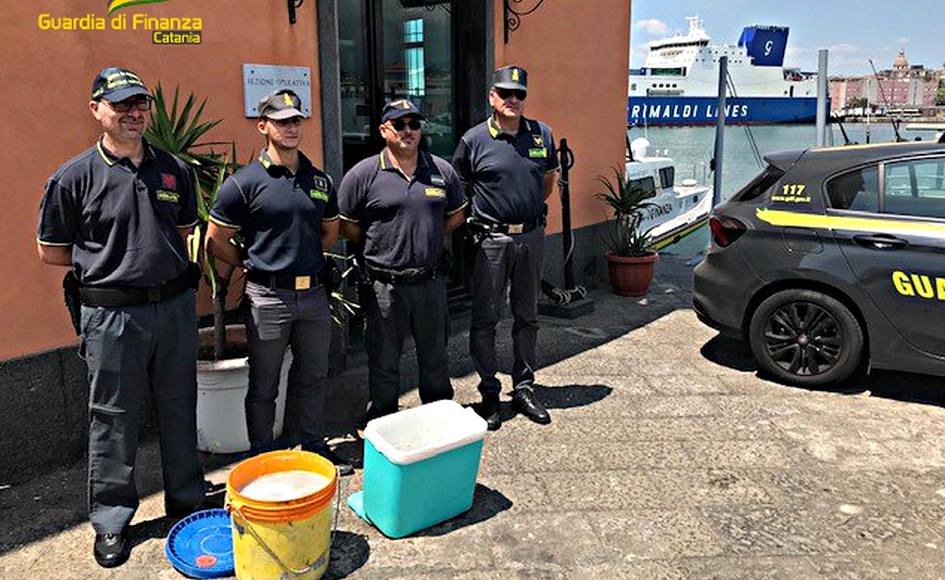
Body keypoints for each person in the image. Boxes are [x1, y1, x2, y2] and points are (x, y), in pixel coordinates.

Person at [36, 67, 208, 568]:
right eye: (121, 105)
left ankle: (186, 502)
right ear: (97, 110)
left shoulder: (174, 170)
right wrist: (113, 266)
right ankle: (112, 520)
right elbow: (51, 250)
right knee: (113, 418)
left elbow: (184, 231)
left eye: (140, 104)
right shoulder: (73, 178)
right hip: (111, 316)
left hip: (173, 309)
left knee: (180, 405)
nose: (133, 113)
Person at [206, 89, 352, 475]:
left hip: (314, 295)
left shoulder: (319, 180)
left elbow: (329, 233)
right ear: (263, 127)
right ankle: (263, 457)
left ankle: (314, 446)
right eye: (282, 121)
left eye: (296, 121)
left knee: (314, 375)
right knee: (264, 381)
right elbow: (215, 241)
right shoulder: (244, 183)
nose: (291, 128)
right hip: (267, 298)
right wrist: (253, 263)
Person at [338, 99, 467, 424]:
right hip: (384, 286)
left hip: (430, 282)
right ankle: (384, 419)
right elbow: (347, 225)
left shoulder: (441, 171)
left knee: (435, 357)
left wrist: (429, 236)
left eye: (414, 124)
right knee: (383, 359)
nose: (408, 131)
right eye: (399, 125)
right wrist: (382, 243)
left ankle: (439, 418)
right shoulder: (363, 174)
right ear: (384, 130)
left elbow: (456, 215)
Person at [452, 65, 559, 430]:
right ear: (492, 97)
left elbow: (547, 181)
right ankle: (489, 391)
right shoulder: (473, 140)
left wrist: (525, 214)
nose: (513, 99)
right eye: (505, 93)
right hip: (491, 241)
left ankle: (524, 387)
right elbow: (460, 188)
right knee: (485, 318)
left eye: (520, 94)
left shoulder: (542, 134)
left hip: (531, 237)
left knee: (528, 316)